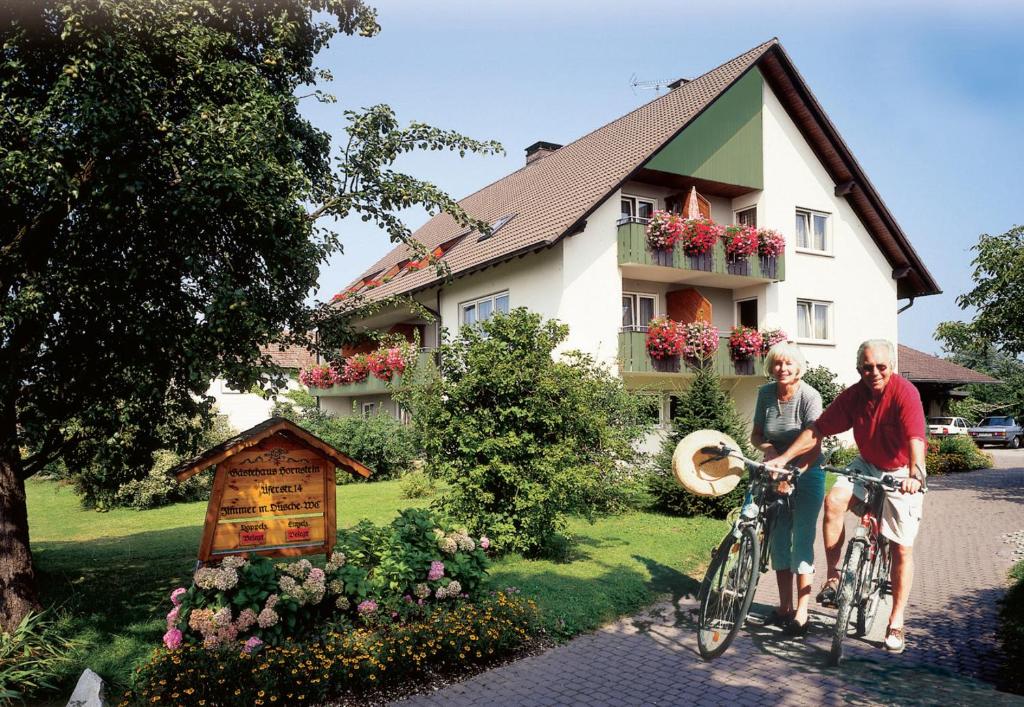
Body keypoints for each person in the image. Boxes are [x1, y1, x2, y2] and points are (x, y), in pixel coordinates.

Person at [770, 339, 926, 654]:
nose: (874, 372)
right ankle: (835, 577)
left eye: (881, 366)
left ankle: (895, 620)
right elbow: (817, 430)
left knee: (902, 548)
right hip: (866, 463)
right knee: (834, 501)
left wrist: (916, 475)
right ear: (859, 369)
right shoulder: (854, 396)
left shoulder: (905, 393)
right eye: (867, 367)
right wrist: (783, 459)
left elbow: (915, 438)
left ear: (891, 367)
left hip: (901, 470)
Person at [750, 341, 825, 637]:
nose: (783, 369)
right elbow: (756, 435)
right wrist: (769, 451)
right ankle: (784, 608)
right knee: (779, 539)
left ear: (799, 367)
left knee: (802, 540)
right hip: (774, 472)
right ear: (771, 367)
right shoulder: (765, 394)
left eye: (789, 364)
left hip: (806, 473)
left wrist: (792, 470)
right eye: (778, 364)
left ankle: (802, 612)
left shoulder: (810, 395)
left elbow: (813, 440)